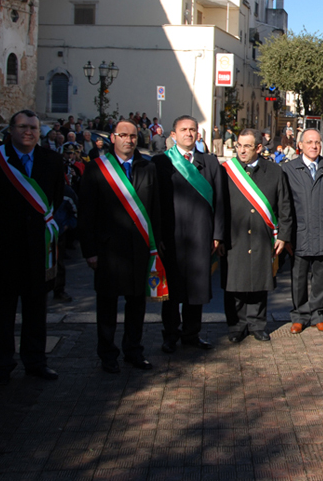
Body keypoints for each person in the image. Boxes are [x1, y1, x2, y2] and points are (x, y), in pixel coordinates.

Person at [0, 109, 64, 384]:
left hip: (38, 250)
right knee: (1, 313)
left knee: (36, 311)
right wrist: (1, 229)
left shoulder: (51, 160)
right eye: (23, 127)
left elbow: (54, 199)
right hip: (3, 250)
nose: (29, 132)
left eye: (34, 128)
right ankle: (2, 363)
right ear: (10, 130)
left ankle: (35, 361)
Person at [78, 119, 162, 373]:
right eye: (123, 135)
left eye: (133, 136)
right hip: (108, 250)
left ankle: (133, 351)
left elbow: (155, 211)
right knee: (107, 306)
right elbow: (86, 214)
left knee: (137, 305)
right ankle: (107, 354)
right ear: (113, 138)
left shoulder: (148, 168)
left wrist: (156, 247)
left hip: (139, 249)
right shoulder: (96, 169)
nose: (129, 140)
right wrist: (89, 251)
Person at [151, 115, 225, 353]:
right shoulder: (161, 163)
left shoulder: (210, 163)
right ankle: (170, 335)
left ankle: (192, 334)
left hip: (201, 236)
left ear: (198, 134)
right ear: (174, 135)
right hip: (171, 237)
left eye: (192, 130)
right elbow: (155, 203)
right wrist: (158, 237)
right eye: (183, 130)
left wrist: (217, 234)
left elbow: (220, 202)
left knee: (196, 289)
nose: (189, 134)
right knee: (171, 291)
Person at [220, 129, 293, 343]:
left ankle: (257, 325)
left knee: (260, 282)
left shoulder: (274, 171)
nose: (242, 151)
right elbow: (218, 207)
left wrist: (283, 236)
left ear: (258, 148)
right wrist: (219, 237)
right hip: (234, 237)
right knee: (234, 284)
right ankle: (236, 326)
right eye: (239, 146)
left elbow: (285, 205)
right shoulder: (225, 171)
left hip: (263, 236)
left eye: (247, 146)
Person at [282, 129, 323, 333]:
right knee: (299, 278)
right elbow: (284, 206)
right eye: (309, 142)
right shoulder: (288, 169)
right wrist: (285, 236)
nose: (314, 146)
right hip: (298, 234)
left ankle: (318, 315)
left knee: (321, 277)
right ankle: (299, 316)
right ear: (300, 145)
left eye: (317, 142)